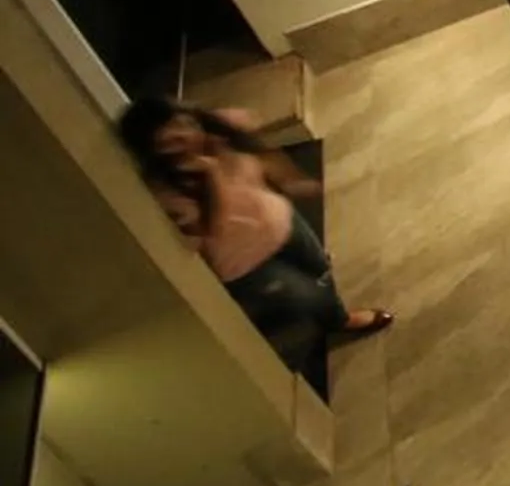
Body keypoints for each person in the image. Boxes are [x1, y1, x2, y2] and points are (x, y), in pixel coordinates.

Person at [120, 97, 390, 357]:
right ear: (156, 150)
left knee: (320, 269)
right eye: (172, 140)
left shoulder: (217, 132)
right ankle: (338, 320)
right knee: (309, 297)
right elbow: (214, 228)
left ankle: (328, 306)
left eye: (183, 124)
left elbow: (258, 149)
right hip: (247, 263)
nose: (187, 137)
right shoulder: (168, 189)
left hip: (281, 221)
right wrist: (210, 174)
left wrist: (289, 179)